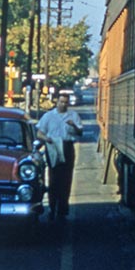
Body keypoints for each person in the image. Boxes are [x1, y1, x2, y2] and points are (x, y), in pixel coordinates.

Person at [36, 90, 84, 221]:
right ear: (56, 101)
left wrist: (73, 125)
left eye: (66, 102)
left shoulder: (73, 115)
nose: (63, 104)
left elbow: (80, 132)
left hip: (67, 146)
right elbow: (39, 133)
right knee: (54, 178)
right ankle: (52, 207)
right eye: (61, 102)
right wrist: (47, 139)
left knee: (66, 178)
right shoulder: (48, 116)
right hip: (53, 146)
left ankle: (63, 209)